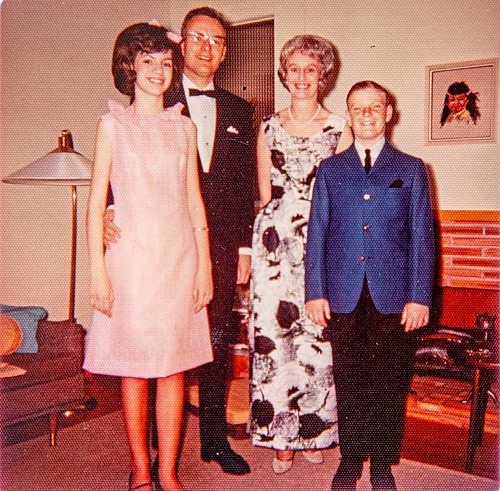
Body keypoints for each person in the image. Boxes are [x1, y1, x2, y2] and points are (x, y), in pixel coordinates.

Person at [103, 7, 255, 475]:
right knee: (152, 346)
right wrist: (110, 209)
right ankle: (145, 456)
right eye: (197, 37)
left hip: (219, 242)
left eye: (217, 40)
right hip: (154, 241)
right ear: (180, 45)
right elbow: (125, 162)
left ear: (224, 52)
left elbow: (247, 183)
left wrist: (245, 249)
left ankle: (214, 440)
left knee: (213, 340)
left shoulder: (240, 109)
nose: (207, 47)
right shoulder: (156, 95)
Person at [84, 22, 213, 491]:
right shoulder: (112, 124)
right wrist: (98, 273)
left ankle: (168, 471)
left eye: (165, 62)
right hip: (132, 261)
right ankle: (141, 469)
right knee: (137, 367)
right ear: (129, 68)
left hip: (179, 258)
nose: (158, 72)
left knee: (174, 366)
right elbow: (98, 202)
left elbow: (194, 202)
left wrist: (205, 266)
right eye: (147, 62)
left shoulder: (184, 127)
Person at [305, 80, 434, 491]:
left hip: (393, 294)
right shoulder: (330, 170)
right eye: (357, 108)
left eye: (374, 107)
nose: (366, 115)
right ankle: (349, 458)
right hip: (342, 291)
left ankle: (381, 461)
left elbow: (422, 237)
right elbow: (318, 233)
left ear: (388, 113)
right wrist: (314, 291)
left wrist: (419, 296)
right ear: (349, 115)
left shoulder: (411, 169)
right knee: (349, 377)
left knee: (389, 378)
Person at [248, 35, 352, 474]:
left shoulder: (340, 126)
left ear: (323, 76)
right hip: (273, 243)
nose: (302, 77)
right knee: (273, 338)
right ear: (284, 75)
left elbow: (347, 194)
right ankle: (279, 436)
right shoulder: (268, 126)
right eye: (294, 69)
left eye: (311, 69)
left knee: (316, 337)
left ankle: (313, 430)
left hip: (322, 236)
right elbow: (264, 191)